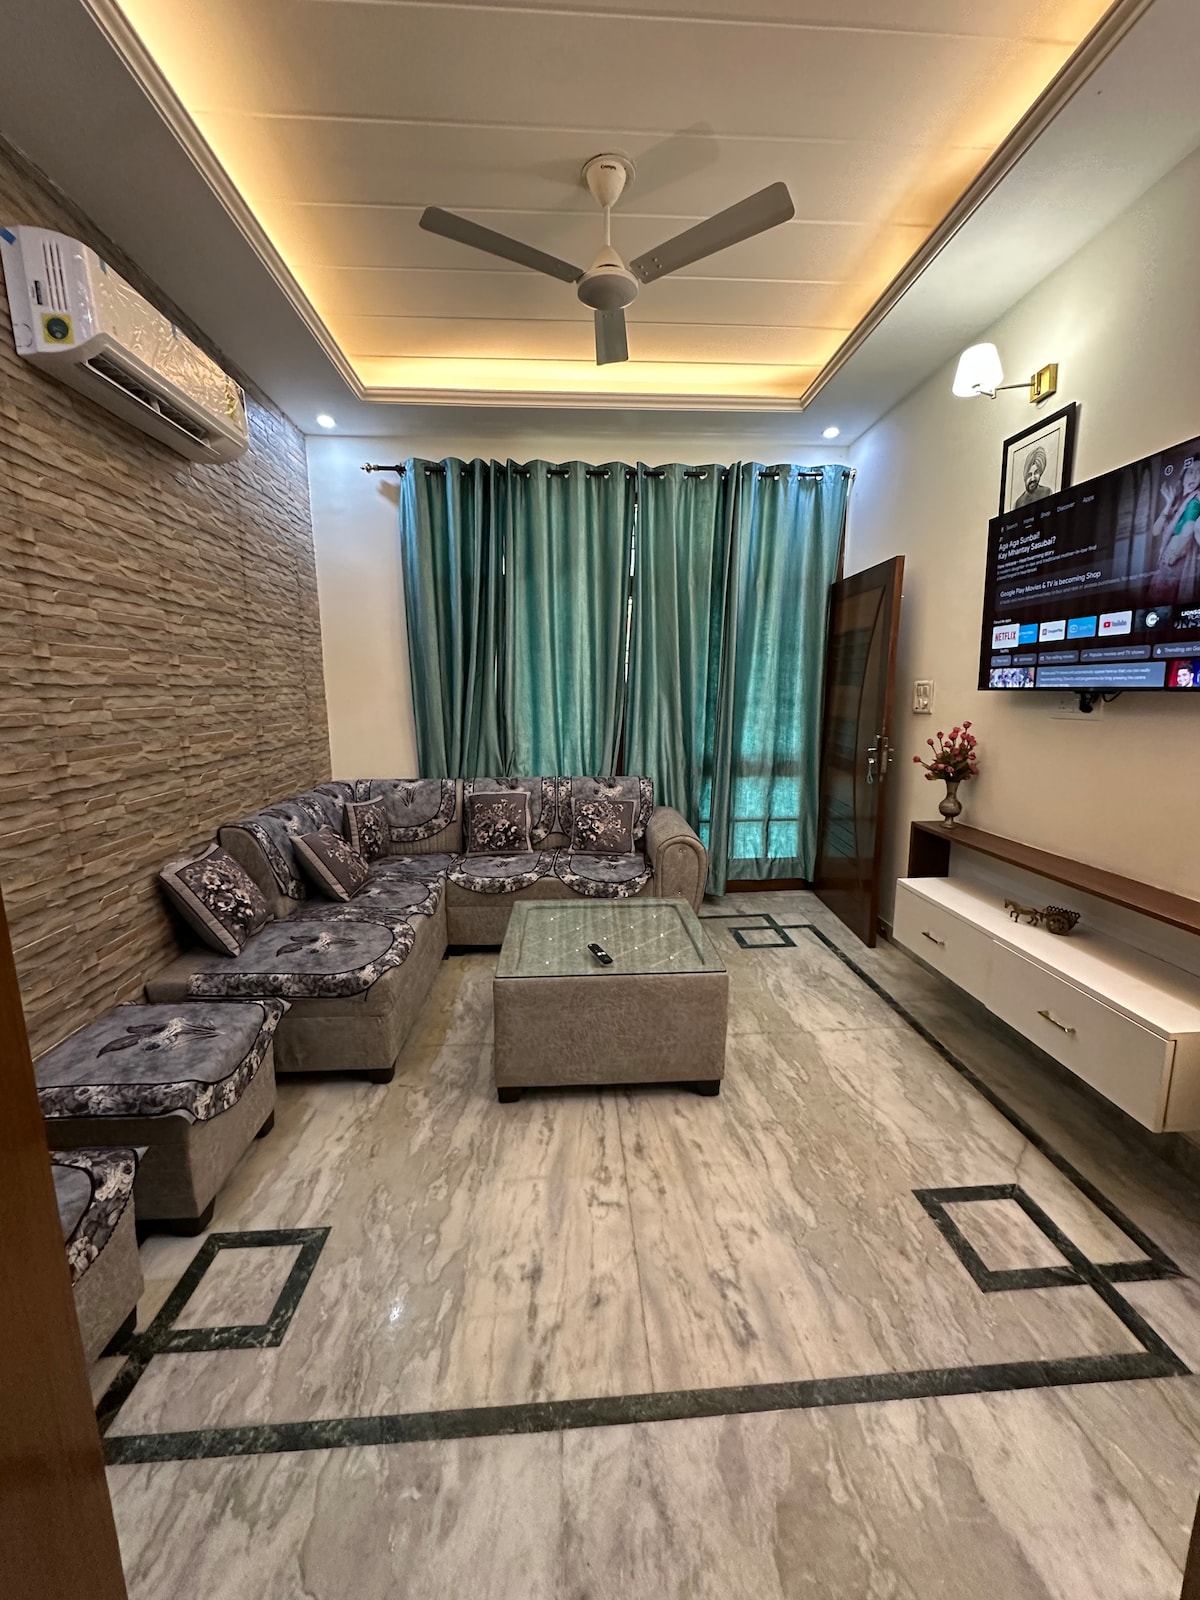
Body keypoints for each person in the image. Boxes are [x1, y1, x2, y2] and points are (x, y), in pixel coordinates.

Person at [1149, 461, 1200, 604]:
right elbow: (1155, 530)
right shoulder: (1177, 502)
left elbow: (1189, 527)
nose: (1194, 477)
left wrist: (1173, 554)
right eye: (1191, 472)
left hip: (1175, 567)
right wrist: (1168, 505)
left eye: (1199, 473)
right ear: (1183, 476)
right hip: (1164, 569)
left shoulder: (1195, 500)